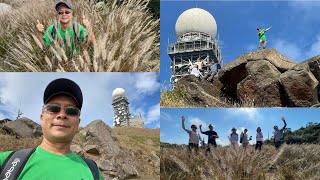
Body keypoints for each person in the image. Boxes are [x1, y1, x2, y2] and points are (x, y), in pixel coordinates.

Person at [0, 78, 103, 179]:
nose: (62, 115)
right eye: (53, 108)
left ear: (78, 123)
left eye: (71, 111)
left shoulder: (93, 171)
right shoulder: (6, 162)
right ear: (42, 118)